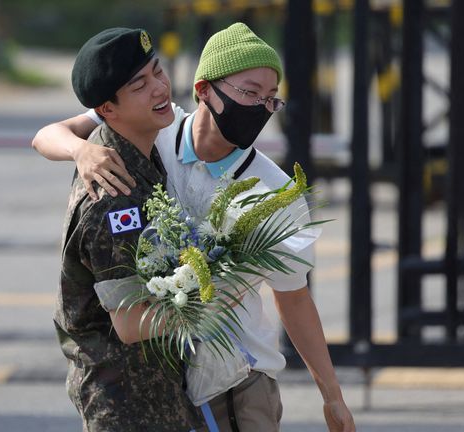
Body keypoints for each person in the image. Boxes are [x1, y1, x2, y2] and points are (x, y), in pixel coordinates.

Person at [34, 23, 355, 432]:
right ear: (205, 90)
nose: (260, 107)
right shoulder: (151, 139)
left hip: (236, 380)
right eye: (249, 92)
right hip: (159, 385)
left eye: (270, 99)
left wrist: (332, 396)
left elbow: (294, 299)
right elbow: (48, 135)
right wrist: (81, 151)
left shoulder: (275, 194)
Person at [52, 27, 202, 431]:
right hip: (127, 406)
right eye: (140, 85)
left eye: (158, 72)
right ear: (107, 109)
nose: (159, 88)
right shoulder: (114, 195)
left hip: (158, 394)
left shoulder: (135, 153)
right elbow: (131, 322)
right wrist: (220, 296)